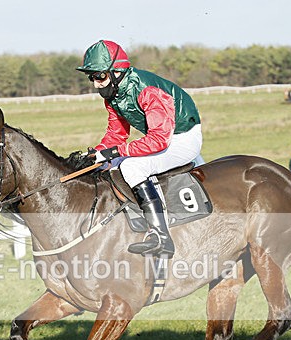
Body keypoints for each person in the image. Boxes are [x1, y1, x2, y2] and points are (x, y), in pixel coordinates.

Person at [77, 40, 203, 258]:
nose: (96, 84)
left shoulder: (148, 91)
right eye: (91, 77)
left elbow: (159, 140)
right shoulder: (113, 96)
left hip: (182, 138)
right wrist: (98, 153)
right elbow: (116, 135)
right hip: (162, 137)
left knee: (132, 167)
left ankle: (161, 237)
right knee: (106, 166)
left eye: (99, 76)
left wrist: (115, 152)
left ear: (116, 72)